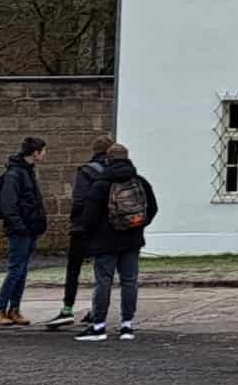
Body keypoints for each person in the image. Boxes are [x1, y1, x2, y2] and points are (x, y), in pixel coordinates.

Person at [72, 141, 157, 343]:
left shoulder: (101, 184)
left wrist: (88, 238)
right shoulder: (140, 182)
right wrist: (137, 227)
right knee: (129, 282)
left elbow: (89, 217)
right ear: (127, 158)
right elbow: (151, 209)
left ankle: (99, 326)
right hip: (132, 240)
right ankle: (127, 325)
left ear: (108, 160)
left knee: (104, 282)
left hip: (105, 242)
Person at [45, 133, 112, 329]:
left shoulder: (86, 171)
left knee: (73, 269)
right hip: (106, 228)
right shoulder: (114, 172)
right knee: (102, 272)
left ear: (94, 150)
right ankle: (97, 310)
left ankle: (67, 310)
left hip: (83, 227)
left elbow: (79, 200)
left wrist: (75, 219)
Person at [0, 136, 48, 327]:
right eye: (43, 151)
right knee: (15, 270)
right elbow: (8, 206)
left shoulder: (27, 171)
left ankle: (14, 309)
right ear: (35, 153)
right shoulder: (15, 174)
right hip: (20, 231)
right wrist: (21, 227)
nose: (45, 155)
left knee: (22, 271)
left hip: (29, 230)